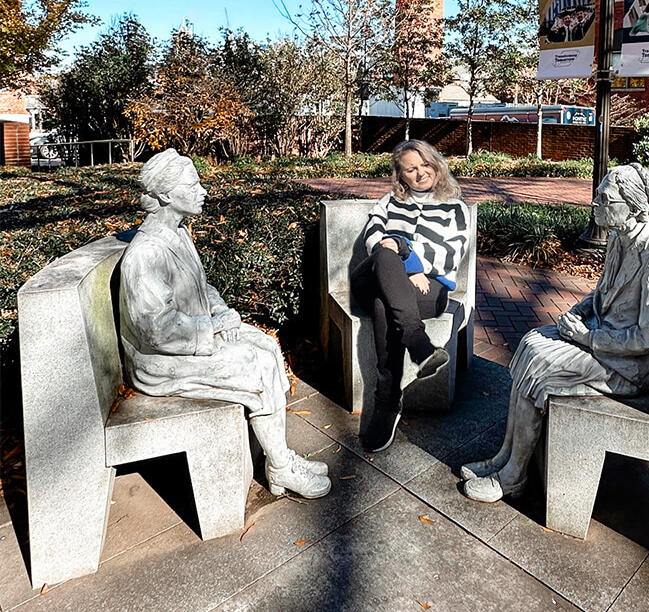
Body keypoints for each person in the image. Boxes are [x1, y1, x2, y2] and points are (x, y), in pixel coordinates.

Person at [460, 163, 649, 503]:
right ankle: (505, 457)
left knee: (541, 370)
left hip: (628, 366)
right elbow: (601, 294)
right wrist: (579, 312)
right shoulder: (620, 241)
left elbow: (646, 339)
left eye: (605, 199)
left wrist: (584, 337)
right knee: (532, 344)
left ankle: (514, 475)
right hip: (602, 339)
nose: (595, 202)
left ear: (634, 208)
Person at [120, 148, 331, 499]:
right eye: (194, 184)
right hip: (160, 361)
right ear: (166, 195)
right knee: (255, 363)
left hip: (192, 337)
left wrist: (221, 313)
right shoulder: (145, 254)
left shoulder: (179, 234)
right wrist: (213, 328)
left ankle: (279, 455)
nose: (203, 190)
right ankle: (280, 470)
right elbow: (158, 330)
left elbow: (202, 287)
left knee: (266, 346)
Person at [352, 140, 471, 453]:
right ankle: (419, 346)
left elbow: (450, 254)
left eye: (424, 165)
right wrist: (402, 258)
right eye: (410, 169)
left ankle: (387, 403)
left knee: (384, 303)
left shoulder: (454, 207)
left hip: (429, 289)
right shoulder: (390, 202)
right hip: (376, 276)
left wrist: (407, 255)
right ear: (400, 176)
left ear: (435, 164)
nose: (420, 173)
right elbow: (373, 240)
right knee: (385, 253)